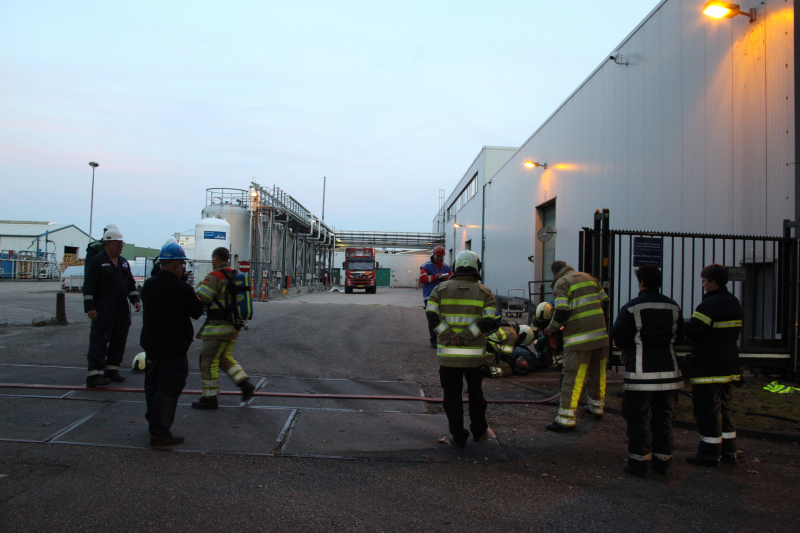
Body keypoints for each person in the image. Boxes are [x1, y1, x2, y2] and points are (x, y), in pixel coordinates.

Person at [612, 265, 685, 478]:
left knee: (638, 418)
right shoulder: (673, 306)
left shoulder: (632, 307)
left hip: (641, 375)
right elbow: (681, 336)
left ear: (641, 281)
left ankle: (639, 462)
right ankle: (663, 461)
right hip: (669, 374)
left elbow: (619, 336)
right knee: (663, 417)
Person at [426, 250, 497, 448]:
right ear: (477, 267)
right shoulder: (486, 292)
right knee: (476, 394)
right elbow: (489, 321)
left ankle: (458, 436)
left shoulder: (439, 289)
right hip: (474, 358)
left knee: (452, 397)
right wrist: (466, 337)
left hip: (448, 356)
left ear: (456, 267)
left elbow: (432, 317)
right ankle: (479, 431)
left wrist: (450, 337)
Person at [140, 243, 204, 447]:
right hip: (174, 347)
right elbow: (196, 311)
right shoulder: (181, 288)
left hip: (152, 345)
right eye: (182, 265)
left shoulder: (149, 285)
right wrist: (189, 288)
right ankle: (160, 432)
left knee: (153, 386)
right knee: (168, 388)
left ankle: (154, 423)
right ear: (177, 266)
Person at [684, 264, 743, 467]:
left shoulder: (710, 304)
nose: (703, 285)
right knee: (724, 408)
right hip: (728, 364)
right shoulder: (733, 302)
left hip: (708, 365)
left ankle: (709, 454)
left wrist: (681, 324)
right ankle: (729, 450)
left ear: (713, 281)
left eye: (704, 281)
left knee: (707, 410)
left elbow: (694, 330)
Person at [543, 261, 609, 432]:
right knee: (598, 373)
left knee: (573, 377)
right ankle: (596, 407)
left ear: (555, 272)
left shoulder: (562, 283)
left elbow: (562, 311)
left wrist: (551, 328)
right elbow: (605, 301)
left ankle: (565, 419)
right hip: (600, 335)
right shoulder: (590, 278)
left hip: (579, 338)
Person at [193, 247, 255, 410]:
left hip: (217, 328)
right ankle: (244, 383)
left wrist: (197, 287)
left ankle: (209, 397)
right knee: (223, 358)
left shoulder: (215, 276)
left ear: (215, 259)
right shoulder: (233, 274)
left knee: (208, 361)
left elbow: (202, 297)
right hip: (233, 326)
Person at [82, 228, 140, 387]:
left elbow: (130, 283)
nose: (120, 247)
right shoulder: (97, 261)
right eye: (117, 244)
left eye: (121, 244)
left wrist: (135, 299)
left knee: (119, 338)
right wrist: (90, 307)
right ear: (107, 244)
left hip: (121, 309)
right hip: (103, 308)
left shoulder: (123, 262)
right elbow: (89, 285)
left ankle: (112, 368)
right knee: (99, 339)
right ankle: (95, 374)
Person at [420, 246, 453, 348]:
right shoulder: (426, 266)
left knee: (443, 319)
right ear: (433, 255)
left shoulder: (447, 267)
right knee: (432, 319)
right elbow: (423, 279)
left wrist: (447, 279)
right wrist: (435, 277)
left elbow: (453, 279)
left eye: (441, 257)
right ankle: (434, 340)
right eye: (438, 256)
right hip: (430, 297)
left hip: (444, 296)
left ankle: (443, 339)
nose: (440, 259)